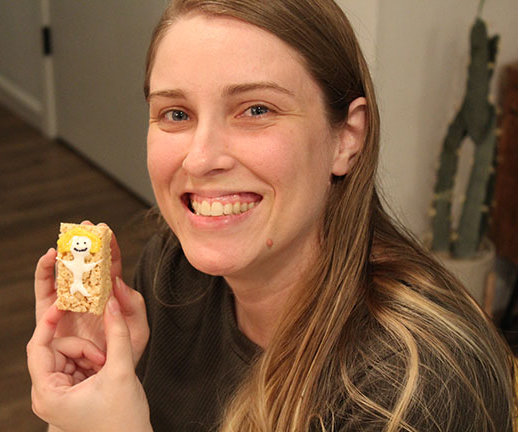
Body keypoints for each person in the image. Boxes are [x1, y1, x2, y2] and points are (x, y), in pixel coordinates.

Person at [26, 0, 516, 431]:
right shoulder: (170, 272)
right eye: (176, 114)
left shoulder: (419, 386)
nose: (201, 159)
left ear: (347, 138)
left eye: (256, 110)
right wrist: (86, 393)